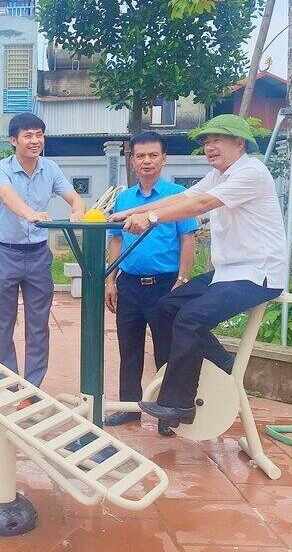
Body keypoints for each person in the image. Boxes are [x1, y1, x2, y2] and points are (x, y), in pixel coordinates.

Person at [109, 114, 288, 429]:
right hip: (228, 272)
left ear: (239, 143)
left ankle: (179, 404)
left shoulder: (251, 172)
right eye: (206, 141)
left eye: (217, 140)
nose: (209, 147)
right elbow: (181, 198)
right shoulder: (218, 175)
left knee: (190, 319)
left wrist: (150, 219)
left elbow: (201, 204)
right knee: (167, 307)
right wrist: (125, 213)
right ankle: (223, 364)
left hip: (258, 274)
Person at [103, 131, 197, 435]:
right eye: (140, 155)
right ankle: (129, 409)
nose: (147, 161)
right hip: (129, 285)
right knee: (129, 349)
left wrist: (182, 279)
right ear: (132, 160)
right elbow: (115, 240)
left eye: (153, 155)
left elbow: (188, 239)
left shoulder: (177, 196)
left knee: (165, 351)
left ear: (164, 159)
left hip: (165, 285)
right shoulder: (124, 199)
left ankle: (166, 412)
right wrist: (110, 279)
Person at [0, 113, 86, 398]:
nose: (35, 141)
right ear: (13, 140)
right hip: (5, 253)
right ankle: (8, 388)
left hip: (38, 256)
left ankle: (31, 390)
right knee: (2, 324)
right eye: (28, 135)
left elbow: (74, 197)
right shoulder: (1, 169)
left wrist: (77, 210)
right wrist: (29, 213)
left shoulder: (50, 168)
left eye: (39, 135)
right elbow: (6, 195)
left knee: (38, 325)